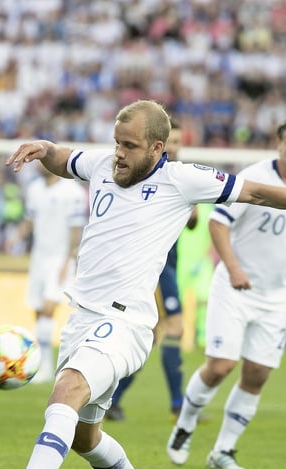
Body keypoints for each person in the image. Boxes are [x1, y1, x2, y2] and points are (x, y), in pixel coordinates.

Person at [0, 99, 286, 469]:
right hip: (81, 317)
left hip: (125, 323)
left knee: (65, 391)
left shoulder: (183, 180)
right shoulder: (103, 164)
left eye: (130, 146)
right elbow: (65, 160)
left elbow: (257, 191)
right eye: (117, 142)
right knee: (84, 436)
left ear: (158, 147)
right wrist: (44, 147)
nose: (119, 153)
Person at [165, 112, 286, 469]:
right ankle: (184, 423)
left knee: (257, 375)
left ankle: (223, 450)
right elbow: (218, 223)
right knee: (220, 367)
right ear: (279, 142)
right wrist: (232, 268)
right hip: (233, 287)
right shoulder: (253, 177)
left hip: (275, 294)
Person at [106, 119, 199, 421]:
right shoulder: (146, 177)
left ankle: (114, 400)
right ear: (158, 143)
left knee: (156, 336)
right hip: (155, 270)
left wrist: (189, 203)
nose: (174, 147)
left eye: (178, 143)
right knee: (171, 329)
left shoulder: (181, 178)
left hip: (169, 265)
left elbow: (194, 223)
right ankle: (177, 406)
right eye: (170, 142)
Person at [5, 163, 87, 384]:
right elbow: (30, 220)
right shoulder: (35, 189)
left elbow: (76, 229)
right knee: (39, 311)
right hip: (39, 258)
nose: (41, 165)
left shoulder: (73, 191)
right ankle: (40, 364)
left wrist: (69, 259)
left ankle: (47, 367)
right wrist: (16, 238)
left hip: (60, 259)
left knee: (49, 309)